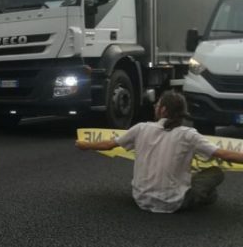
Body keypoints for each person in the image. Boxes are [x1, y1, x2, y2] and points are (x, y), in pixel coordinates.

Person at [75, 90, 243, 213]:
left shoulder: (140, 128)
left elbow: (108, 145)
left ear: (163, 110)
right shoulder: (189, 135)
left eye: (158, 104)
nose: (155, 106)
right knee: (216, 173)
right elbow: (224, 154)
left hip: (140, 199)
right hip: (173, 202)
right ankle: (204, 197)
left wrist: (85, 145)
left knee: (196, 179)